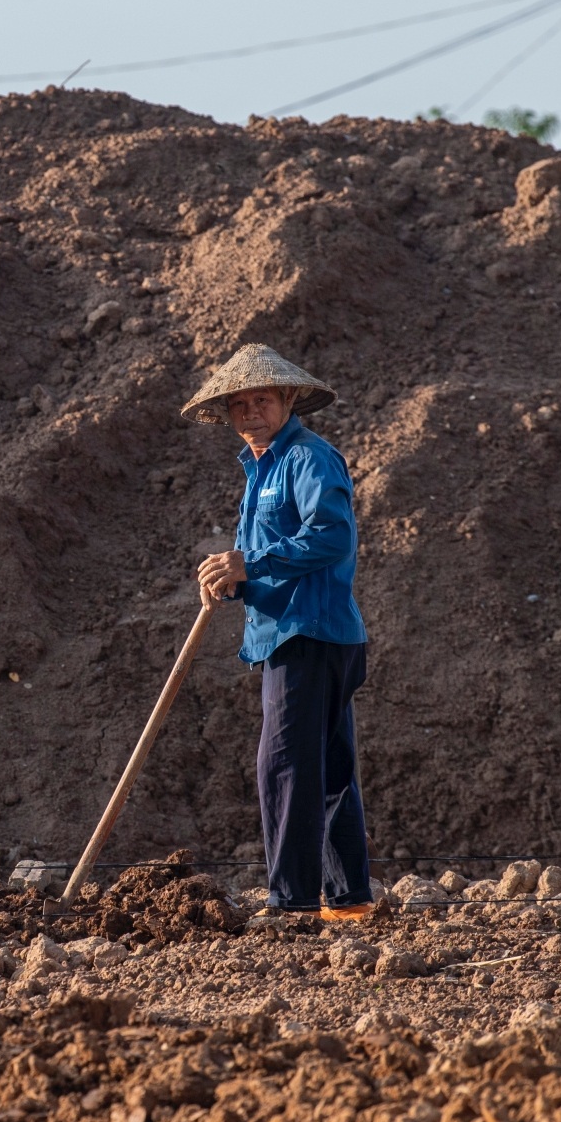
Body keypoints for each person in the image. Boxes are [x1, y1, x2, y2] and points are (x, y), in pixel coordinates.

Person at [184, 344, 372, 923]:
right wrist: (232, 580)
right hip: (302, 631)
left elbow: (331, 537)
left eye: (260, 399)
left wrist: (249, 564)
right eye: (238, 405)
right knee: (329, 764)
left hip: (307, 633)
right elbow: (263, 557)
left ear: (287, 399)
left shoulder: (309, 458)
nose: (249, 412)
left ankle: (290, 902)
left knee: (284, 760)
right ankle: (348, 900)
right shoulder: (260, 470)